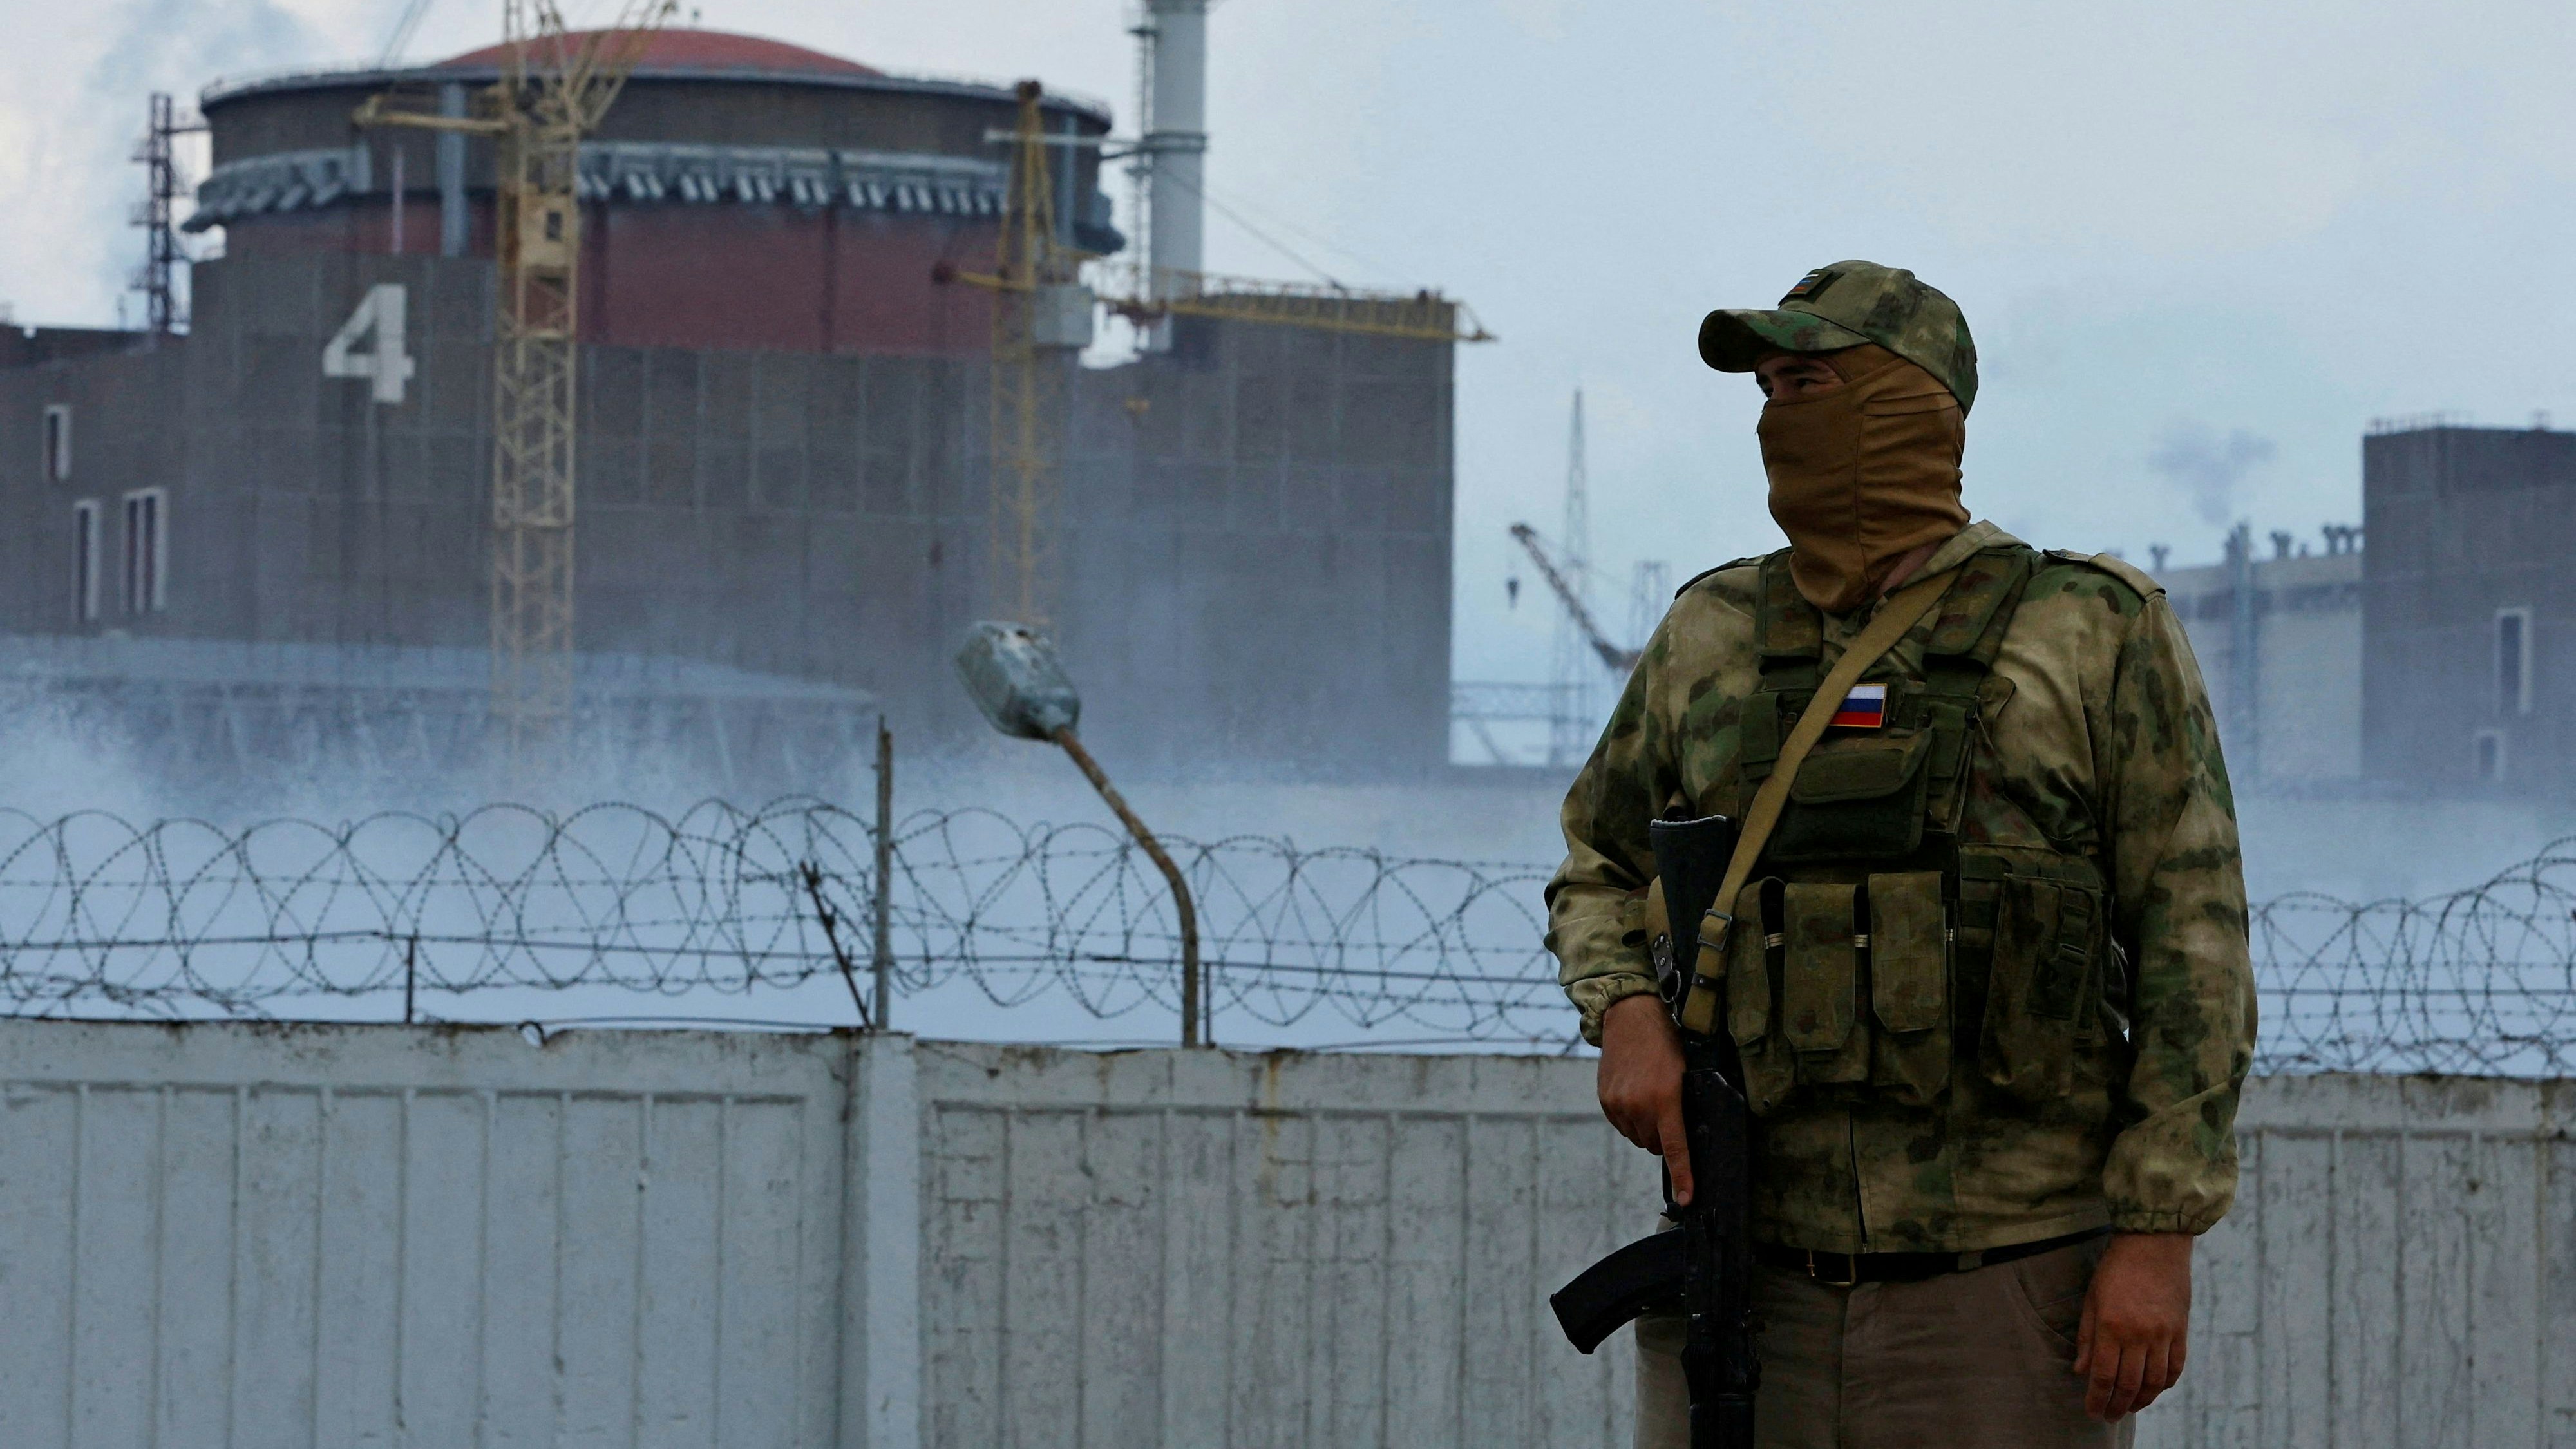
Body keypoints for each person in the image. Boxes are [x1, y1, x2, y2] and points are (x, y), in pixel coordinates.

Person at [1544, 260, 2257, 1448]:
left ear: (1912, 405)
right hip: (1749, 1271)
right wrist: (1623, 1008)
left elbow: (2195, 940)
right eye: (1766, 389)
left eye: (1811, 380)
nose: (1779, 416)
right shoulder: (1709, 634)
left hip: (2004, 1289)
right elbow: (1599, 860)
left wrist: (2155, 1233)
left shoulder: (2089, 629)